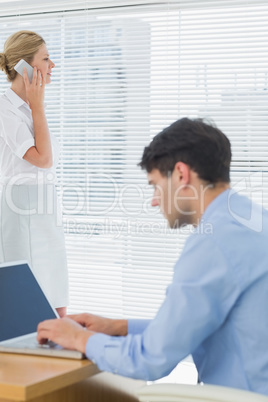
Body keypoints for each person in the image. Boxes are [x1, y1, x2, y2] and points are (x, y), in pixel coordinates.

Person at [37, 118, 268, 396]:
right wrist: (119, 327)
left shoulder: (214, 242)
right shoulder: (251, 220)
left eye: (155, 185)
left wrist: (79, 338)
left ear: (181, 174)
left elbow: (152, 359)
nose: (154, 200)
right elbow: (205, 327)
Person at [0, 31, 69, 317]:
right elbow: (43, 159)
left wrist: (36, 106)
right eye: (46, 59)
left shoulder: (30, 110)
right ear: (24, 67)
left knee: (57, 296)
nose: (53, 65)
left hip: (44, 205)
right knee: (29, 303)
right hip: (19, 207)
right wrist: (37, 104)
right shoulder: (5, 108)